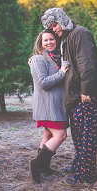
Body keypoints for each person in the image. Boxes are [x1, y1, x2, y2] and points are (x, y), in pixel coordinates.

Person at [41, 8, 97, 185]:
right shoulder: (65, 39)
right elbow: (56, 59)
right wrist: (35, 59)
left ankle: (85, 175)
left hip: (85, 96)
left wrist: (86, 91)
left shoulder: (80, 33)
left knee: (87, 138)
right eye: (50, 27)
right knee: (78, 137)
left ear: (61, 20)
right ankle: (79, 166)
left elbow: (86, 63)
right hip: (74, 97)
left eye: (54, 25)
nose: (53, 29)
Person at [28, 29, 69, 183]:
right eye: (45, 40)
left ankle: (44, 166)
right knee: (60, 135)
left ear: (56, 40)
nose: (49, 42)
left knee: (48, 135)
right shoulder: (38, 59)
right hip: (47, 106)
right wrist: (61, 73)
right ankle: (36, 164)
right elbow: (43, 83)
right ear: (41, 43)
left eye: (51, 39)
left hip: (56, 105)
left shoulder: (58, 58)